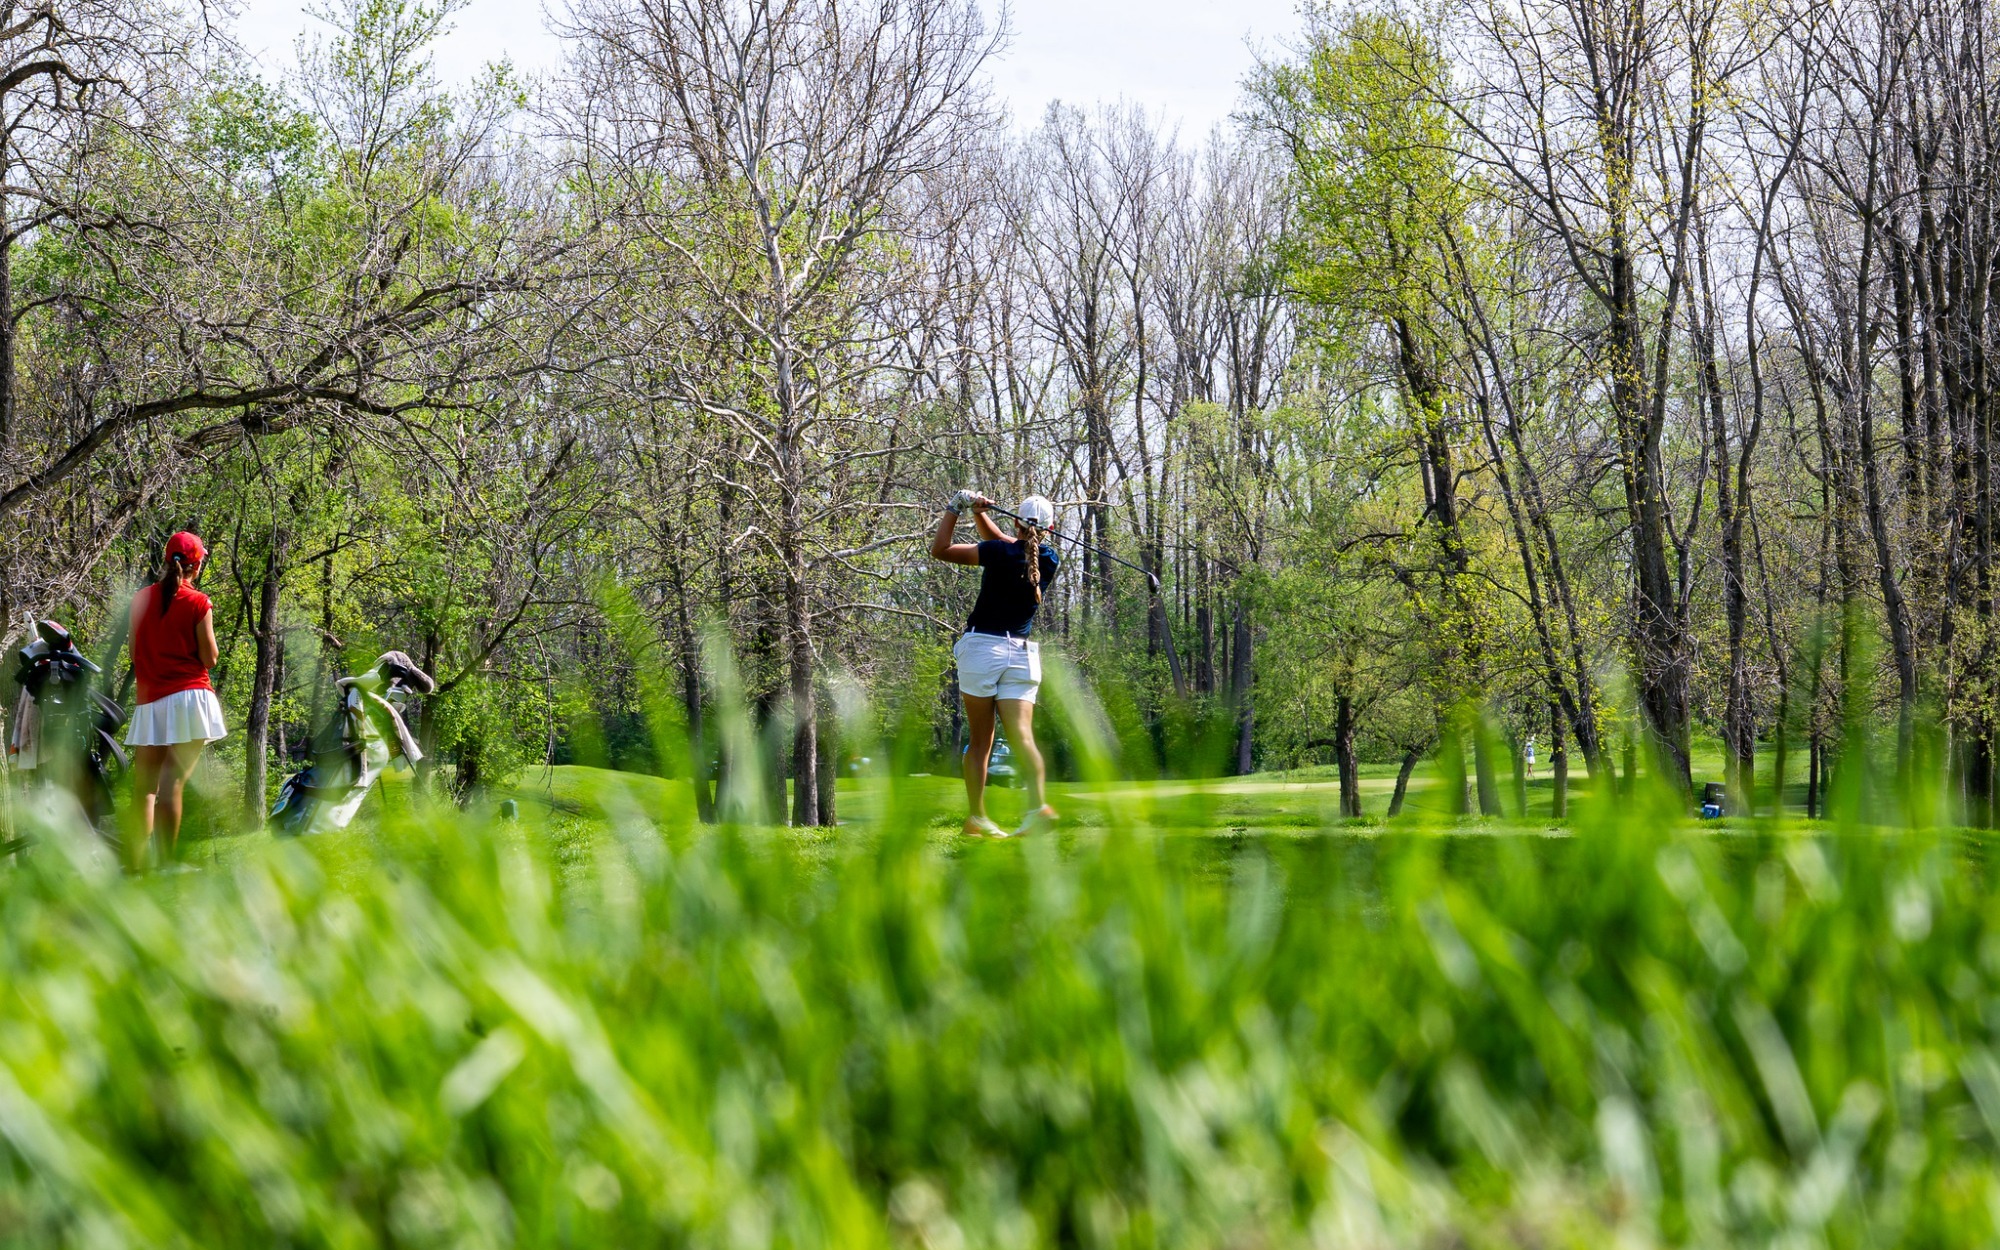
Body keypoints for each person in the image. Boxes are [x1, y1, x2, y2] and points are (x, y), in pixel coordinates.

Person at [930, 490, 1060, 838]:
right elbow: (1013, 547)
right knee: (1023, 738)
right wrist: (979, 514)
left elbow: (940, 550)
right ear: (1051, 527)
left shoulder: (998, 552)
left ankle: (977, 819)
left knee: (981, 741)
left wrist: (955, 508)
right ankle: (1038, 809)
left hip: (982, 651)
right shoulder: (1048, 559)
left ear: (1016, 521)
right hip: (1021, 655)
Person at [125, 531, 225, 866]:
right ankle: (167, 866)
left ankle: (138, 867)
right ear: (195, 566)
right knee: (173, 785)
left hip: (151, 700)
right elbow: (209, 658)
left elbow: (133, 652)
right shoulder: (198, 602)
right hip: (189, 698)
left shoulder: (141, 599)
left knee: (145, 789)